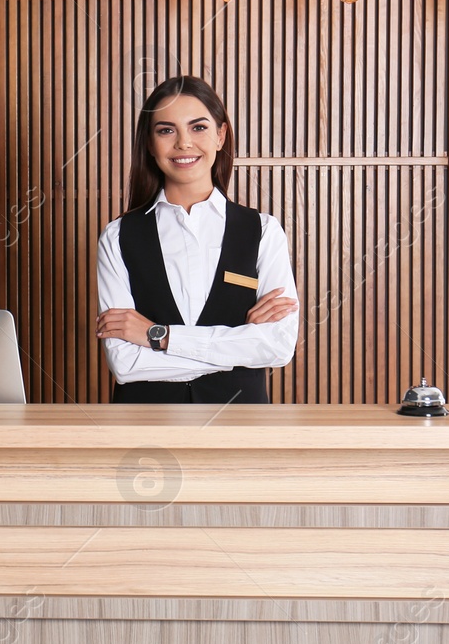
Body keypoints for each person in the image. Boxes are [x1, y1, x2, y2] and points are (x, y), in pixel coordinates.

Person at [95, 75, 299, 403]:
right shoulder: (118, 236)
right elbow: (127, 363)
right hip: (143, 430)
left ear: (221, 135)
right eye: (166, 130)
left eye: (198, 127)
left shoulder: (263, 231)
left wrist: (156, 336)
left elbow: (277, 347)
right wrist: (239, 348)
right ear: (149, 143)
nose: (184, 143)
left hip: (240, 430)